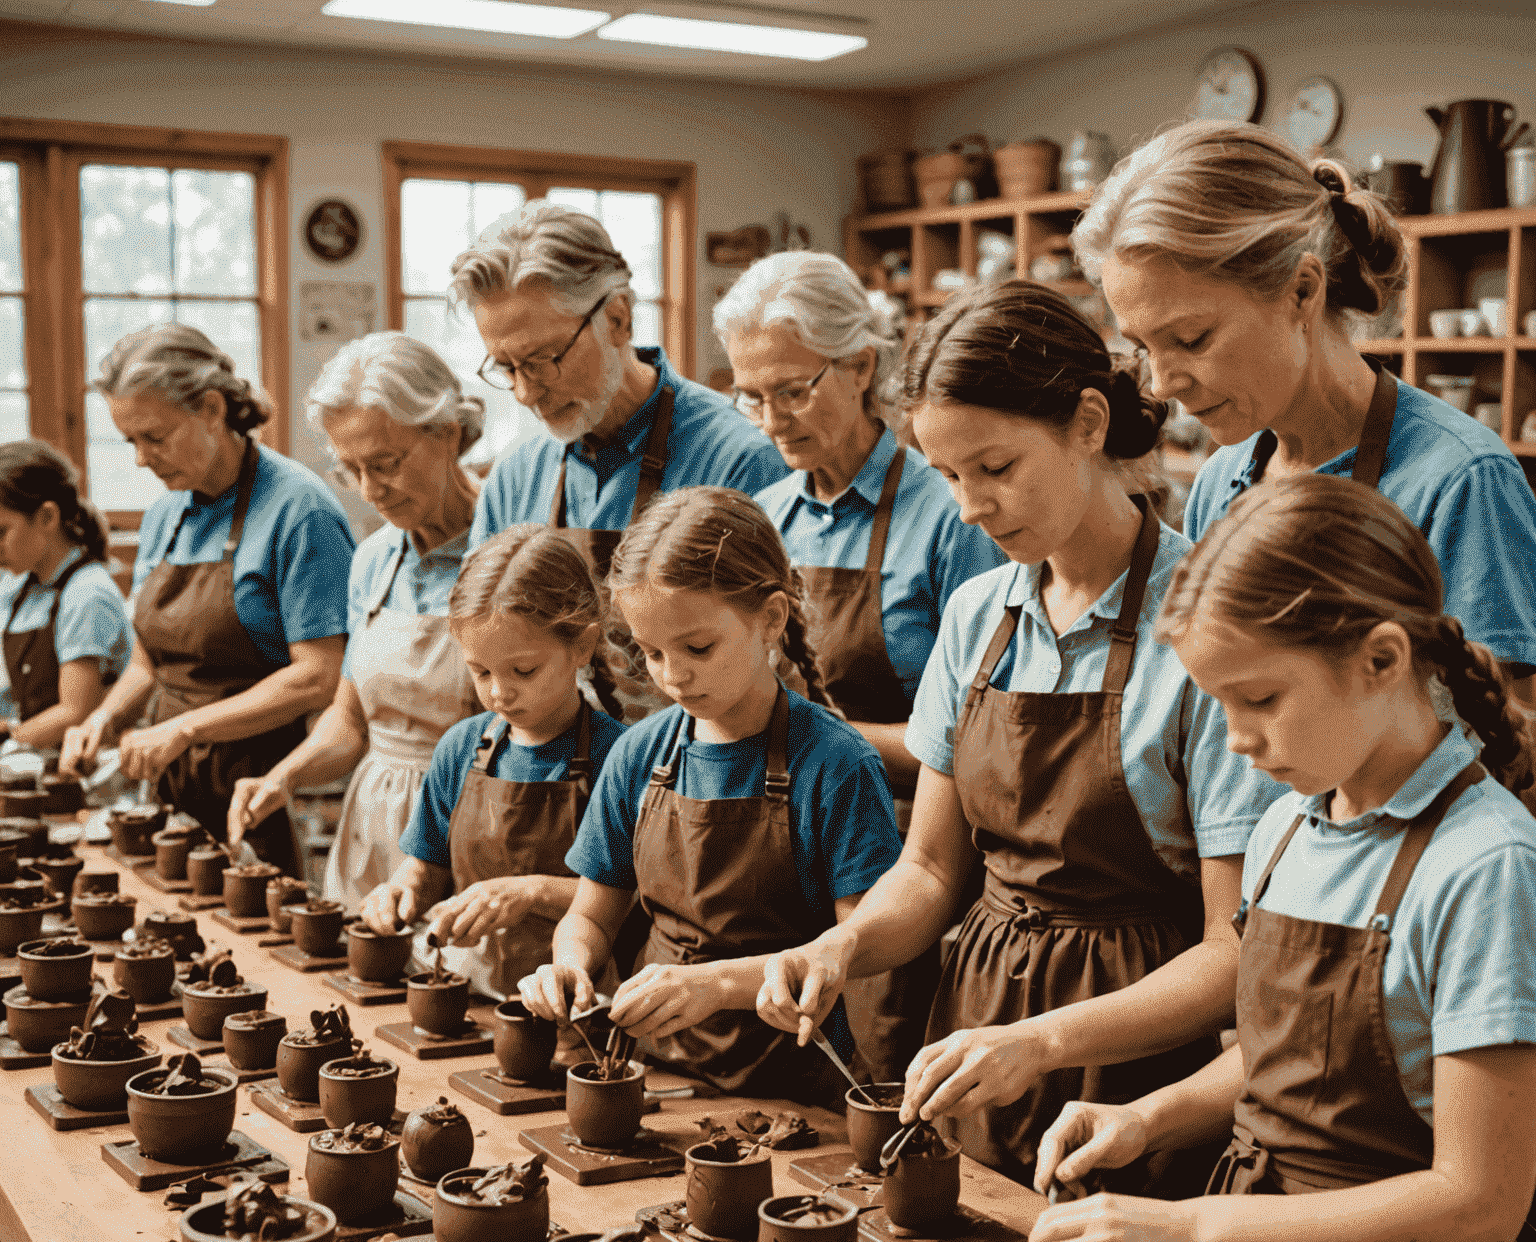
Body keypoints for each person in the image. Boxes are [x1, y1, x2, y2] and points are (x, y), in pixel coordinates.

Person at [1027, 475, 1536, 1242]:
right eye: (1218, 705)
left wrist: (1198, 1226)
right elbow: (1284, 1055)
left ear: (1384, 658)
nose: (1240, 740)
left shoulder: (1483, 868)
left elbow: (1481, 1203)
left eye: (1261, 699)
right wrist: (1150, 1118)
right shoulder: (1289, 830)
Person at [759, 280, 1280, 1192]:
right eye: (949, 477)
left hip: (1132, 1059)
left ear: (1087, 422)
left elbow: (1233, 953)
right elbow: (929, 872)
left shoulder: (1206, 625)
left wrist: (1043, 1042)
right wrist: (839, 948)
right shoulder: (978, 615)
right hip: (976, 1024)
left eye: (995, 468)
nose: (969, 508)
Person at [1073, 119, 1536, 704]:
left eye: (1191, 339)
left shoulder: (1460, 483)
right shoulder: (1222, 482)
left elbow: (1510, 755)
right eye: (1144, 348)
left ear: (1302, 291)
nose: (1162, 385)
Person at [716, 252, 1006, 1081]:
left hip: (914, 854)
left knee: (881, 1087)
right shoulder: (766, 519)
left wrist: (835, 742)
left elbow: (983, 741)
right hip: (784, 846)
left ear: (862, 366)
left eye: (793, 389)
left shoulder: (948, 510)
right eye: (752, 394)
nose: (770, 418)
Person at [519, 487, 903, 1105]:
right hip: (654, 1073)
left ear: (771, 618)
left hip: (791, 1087)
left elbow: (859, 953)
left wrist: (717, 985)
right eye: (651, 652)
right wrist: (569, 964)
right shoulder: (640, 755)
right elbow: (591, 914)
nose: (673, 675)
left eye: (697, 648)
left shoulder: (836, 764)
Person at [58, 325, 354, 874]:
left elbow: (321, 675)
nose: (143, 459)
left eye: (156, 437)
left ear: (213, 409)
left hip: (257, 782)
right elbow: (149, 660)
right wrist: (104, 717)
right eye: (131, 442)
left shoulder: (299, 511)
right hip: (172, 781)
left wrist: (187, 728)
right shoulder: (166, 514)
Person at [226, 333, 482, 907]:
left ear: (446, 433)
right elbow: (350, 725)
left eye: (386, 464)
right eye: (350, 470)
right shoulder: (374, 559)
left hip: (475, 828)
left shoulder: (509, 546)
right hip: (373, 826)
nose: (370, 490)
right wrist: (283, 778)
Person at [359, 525, 626, 1006]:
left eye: (524, 670)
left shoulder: (622, 758)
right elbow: (425, 870)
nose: (499, 692)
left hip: (577, 1006)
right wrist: (399, 894)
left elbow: (634, 898)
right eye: (480, 671)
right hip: (464, 997)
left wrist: (529, 892)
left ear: (583, 646)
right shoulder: (460, 748)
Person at [458, 202, 786, 580]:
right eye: (506, 367)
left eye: (543, 359)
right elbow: (478, 631)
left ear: (618, 320)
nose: (525, 394)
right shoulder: (515, 475)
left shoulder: (740, 464)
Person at [0, 440, 131, 748]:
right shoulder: (21, 589)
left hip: (83, 773)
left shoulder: (88, 594)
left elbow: (75, 712)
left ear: (47, 517)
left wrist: (10, 736)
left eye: (1, 532)